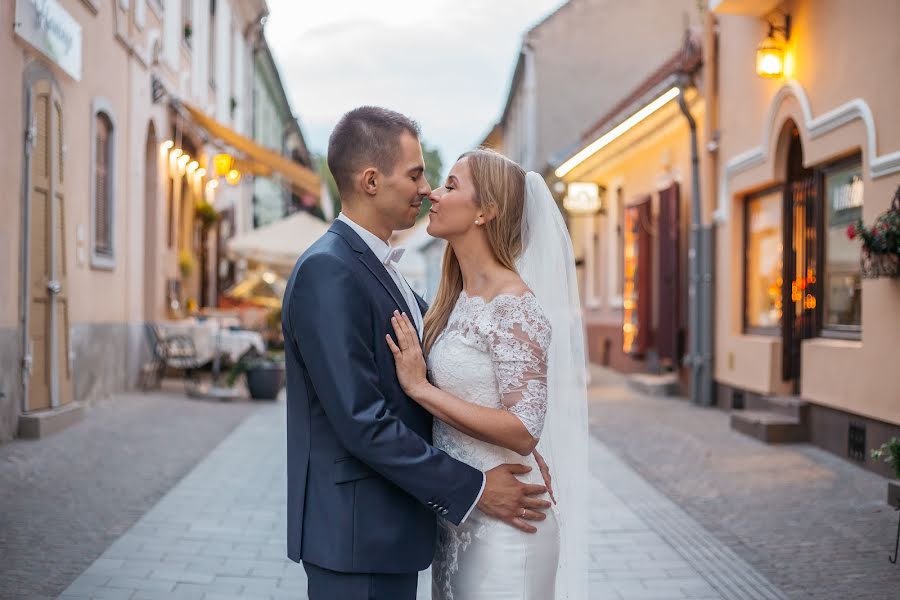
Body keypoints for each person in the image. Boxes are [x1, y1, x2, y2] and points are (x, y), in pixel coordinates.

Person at [281, 107, 553, 600]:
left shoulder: (388, 272)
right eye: (416, 174)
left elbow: (473, 377)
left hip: (397, 532)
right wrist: (472, 487)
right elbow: (363, 420)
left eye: (439, 181)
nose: (427, 189)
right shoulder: (330, 271)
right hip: (356, 537)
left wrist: (521, 445)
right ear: (370, 181)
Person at [387, 148, 589, 599]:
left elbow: (524, 431)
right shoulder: (453, 298)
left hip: (509, 526)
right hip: (463, 515)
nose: (433, 195)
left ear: (487, 211)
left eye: (451, 186)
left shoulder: (515, 305)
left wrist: (420, 389)